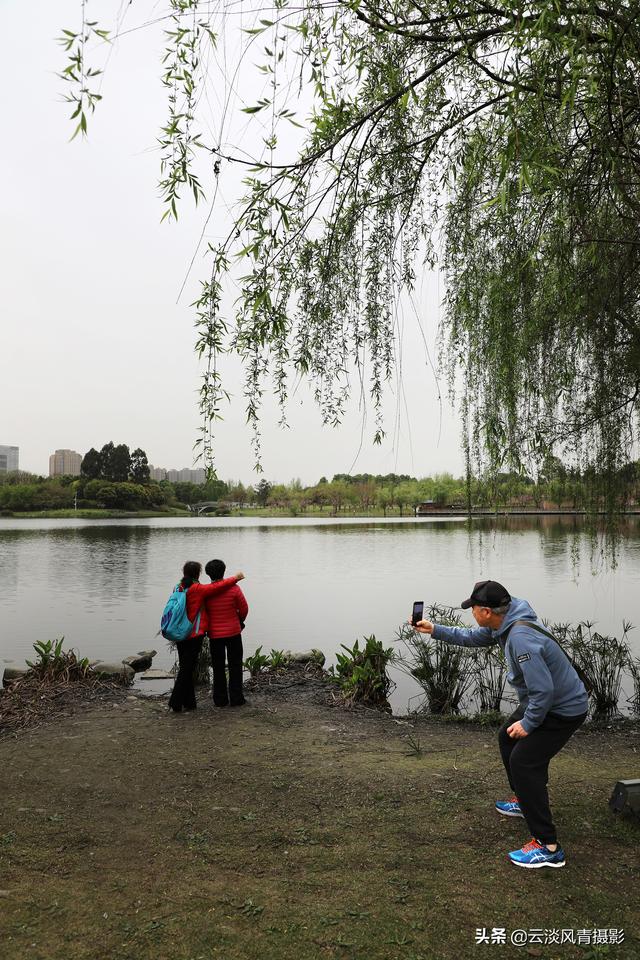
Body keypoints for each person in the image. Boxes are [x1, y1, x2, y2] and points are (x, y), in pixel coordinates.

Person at [414, 580, 588, 869]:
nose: (471, 613)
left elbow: (543, 691)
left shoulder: (520, 638)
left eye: (473, 608)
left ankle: (548, 846)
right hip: (545, 702)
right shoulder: (506, 619)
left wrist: (529, 724)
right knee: (507, 738)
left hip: (562, 709)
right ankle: (524, 800)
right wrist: (435, 629)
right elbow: (473, 637)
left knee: (524, 762)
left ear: (486, 612)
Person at [168, 561, 245, 713]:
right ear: (198, 573)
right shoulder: (199, 589)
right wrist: (236, 578)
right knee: (188, 668)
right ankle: (175, 701)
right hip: (196, 634)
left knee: (191, 667)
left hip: (181, 632)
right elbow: (221, 589)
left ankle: (197, 701)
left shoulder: (178, 587)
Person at [204, 558, 249, 707]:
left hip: (215, 635)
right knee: (235, 665)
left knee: (218, 667)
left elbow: (203, 613)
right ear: (223, 571)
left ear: (208, 574)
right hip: (233, 632)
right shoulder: (234, 589)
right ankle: (237, 698)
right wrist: (239, 620)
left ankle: (220, 699)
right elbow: (244, 609)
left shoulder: (206, 592)